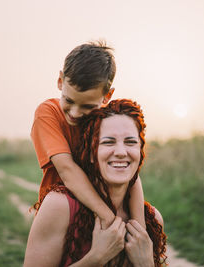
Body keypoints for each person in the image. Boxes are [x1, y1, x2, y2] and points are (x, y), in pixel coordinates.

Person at [24, 99, 167, 267]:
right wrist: (96, 258)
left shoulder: (152, 219)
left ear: (140, 151)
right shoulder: (60, 207)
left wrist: (147, 264)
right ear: (92, 153)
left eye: (130, 142)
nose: (121, 152)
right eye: (108, 142)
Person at [31, 41, 145, 229]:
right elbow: (67, 170)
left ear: (107, 96)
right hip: (63, 214)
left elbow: (131, 173)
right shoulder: (48, 113)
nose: (75, 113)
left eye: (88, 106)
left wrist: (139, 228)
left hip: (108, 210)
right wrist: (109, 220)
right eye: (69, 100)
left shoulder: (108, 119)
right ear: (60, 81)